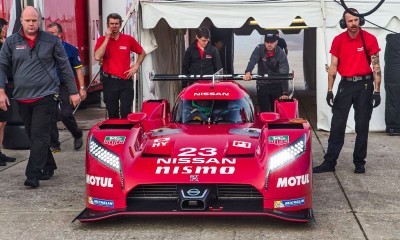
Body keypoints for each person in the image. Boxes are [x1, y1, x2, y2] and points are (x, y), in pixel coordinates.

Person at [0, 6, 81, 188]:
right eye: (27, 20)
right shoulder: (11, 42)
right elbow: (2, 66)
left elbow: (65, 67)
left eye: (34, 20)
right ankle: (49, 164)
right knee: (33, 135)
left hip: (46, 96)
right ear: (21, 20)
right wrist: (1, 91)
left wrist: (74, 91)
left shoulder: (51, 41)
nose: (31, 24)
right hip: (21, 97)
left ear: (40, 21)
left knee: (39, 135)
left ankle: (32, 175)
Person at [313, 8, 381, 174]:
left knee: (362, 125)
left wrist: (377, 91)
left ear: (360, 21)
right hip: (346, 85)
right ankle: (329, 162)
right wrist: (330, 90)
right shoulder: (338, 40)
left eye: (356, 20)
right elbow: (334, 66)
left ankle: (359, 162)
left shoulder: (369, 39)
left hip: (365, 86)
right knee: (337, 124)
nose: (353, 24)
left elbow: (376, 67)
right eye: (350, 21)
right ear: (344, 23)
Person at [94, 13, 146, 119]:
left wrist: (136, 66)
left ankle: (126, 133)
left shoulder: (128, 39)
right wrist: (107, 38)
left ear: (120, 24)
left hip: (125, 80)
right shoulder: (102, 40)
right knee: (112, 112)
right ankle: (114, 133)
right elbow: (97, 57)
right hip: (110, 80)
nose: (114, 26)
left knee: (126, 111)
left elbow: (142, 52)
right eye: (112, 23)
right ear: (107, 25)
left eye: (116, 24)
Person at [46, 22, 86, 152]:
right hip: (49, 86)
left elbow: (78, 70)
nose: (50, 36)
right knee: (50, 115)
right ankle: (54, 144)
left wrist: (81, 88)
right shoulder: (44, 49)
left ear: (60, 34)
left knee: (65, 114)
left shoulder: (70, 49)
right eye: (48, 33)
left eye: (52, 33)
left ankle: (77, 134)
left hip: (65, 85)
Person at [243, 30, 290, 112]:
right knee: (264, 111)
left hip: (276, 85)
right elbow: (253, 60)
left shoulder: (281, 54)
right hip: (262, 85)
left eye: (271, 42)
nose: (269, 44)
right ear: (264, 42)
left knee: (276, 111)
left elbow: (284, 73)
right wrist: (248, 72)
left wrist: (285, 92)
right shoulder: (259, 48)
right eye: (267, 42)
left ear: (276, 42)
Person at [0, 18, 16, 166]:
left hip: (5, 87)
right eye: (4, 28)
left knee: (3, 122)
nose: (5, 31)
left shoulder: (4, 45)